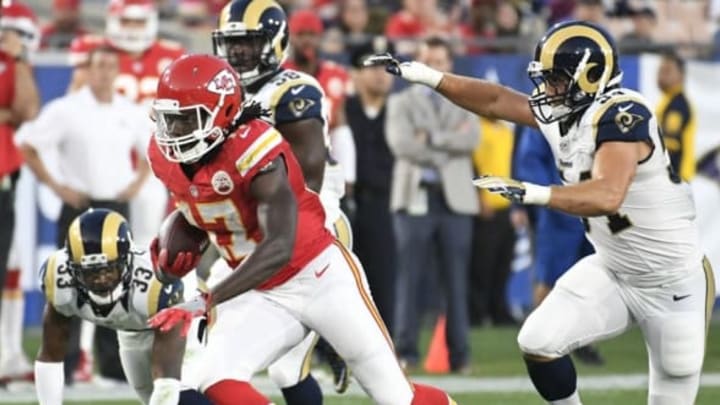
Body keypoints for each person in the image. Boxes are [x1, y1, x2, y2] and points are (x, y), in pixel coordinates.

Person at [368, 20, 714, 404]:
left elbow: (608, 194)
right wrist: (431, 77)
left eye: (557, 79)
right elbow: (496, 100)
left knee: (670, 392)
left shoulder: (623, 112)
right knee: (538, 341)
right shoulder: (566, 112)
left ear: (591, 76)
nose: (548, 89)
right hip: (615, 269)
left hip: (672, 283)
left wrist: (534, 193)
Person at [145, 53, 456, 405]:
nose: (174, 132)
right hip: (257, 288)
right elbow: (204, 204)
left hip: (317, 274)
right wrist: (178, 236)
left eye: (187, 121)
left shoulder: (254, 148)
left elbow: (280, 246)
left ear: (224, 112)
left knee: (397, 397)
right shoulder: (162, 154)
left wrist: (208, 298)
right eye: (170, 120)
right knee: (214, 378)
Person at [212, 0, 350, 398]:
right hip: (251, 215)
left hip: (309, 217)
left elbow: (307, 181)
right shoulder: (220, 91)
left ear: (275, 43)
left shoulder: (294, 90)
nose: (237, 52)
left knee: (286, 372)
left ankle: (333, 334)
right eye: (231, 43)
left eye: (249, 42)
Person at [19, 45, 151, 384]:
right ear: (88, 70)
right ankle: (64, 364)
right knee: (70, 284)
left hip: (116, 207)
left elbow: (152, 148)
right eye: (98, 66)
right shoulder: (67, 110)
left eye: (110, 66)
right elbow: (29, 144)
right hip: (79, 205)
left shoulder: (129, 109)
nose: (104, 72)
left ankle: (114, 367)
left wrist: (138, 182)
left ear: (117, 70)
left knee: (121, 285)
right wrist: (57, 186)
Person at [33, 208, 211, 405]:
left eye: (108, 269)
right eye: (91, 272)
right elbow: (51, 355)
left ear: (127, 261)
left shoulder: (155, 286)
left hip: (184, 316)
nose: (101, 280)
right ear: (73, 268)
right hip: (131, 330)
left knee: (179, 395)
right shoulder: (59, 279)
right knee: (150, 397)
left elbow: (167, 379)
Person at [385, 36, 478, 374]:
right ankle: (405, 352)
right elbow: (403, 146)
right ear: (418, 64)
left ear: (450, 64)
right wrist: (448, 144)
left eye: (441, 60)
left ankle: (461, 355)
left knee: (456, 281)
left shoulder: (466, 98)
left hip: (454, 199)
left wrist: (433, 138)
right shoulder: (401, 101)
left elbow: (472, 139)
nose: (435, 66)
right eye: (429, 60)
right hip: (414, 196)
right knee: (408, 278)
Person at [0, 0, 41, 383]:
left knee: (8, 265)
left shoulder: (12, 63)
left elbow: (26, 110)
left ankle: (8, 354)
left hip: (4, 174)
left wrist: (19, 60)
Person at [345, 37, 397, 334]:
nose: (380, 73)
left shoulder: (401, 110)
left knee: (383, 279)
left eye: (385, 67)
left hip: (384, 203)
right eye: (371, 65)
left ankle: (386, 347)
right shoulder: (342, 109)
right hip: (347, 202)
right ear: (354, 72)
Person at [656, 51, 696, 182]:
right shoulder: (668, 101)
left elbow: (671, 145)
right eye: (660, 70)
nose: (661, 75)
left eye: (667, 71)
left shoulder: (677, 106)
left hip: (675, 178)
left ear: (681, 76)